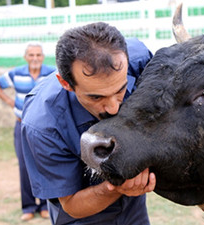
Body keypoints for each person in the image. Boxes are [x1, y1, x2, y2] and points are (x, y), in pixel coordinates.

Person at [20, 22, 156, 224]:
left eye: (120, 90)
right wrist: (118, 185)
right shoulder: (42, 126)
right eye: (96, 98)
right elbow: (72, 204)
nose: (113, 108)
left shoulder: (139, 60)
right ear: (65, 83)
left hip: (133, 211)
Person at [0, 41, 56, 221]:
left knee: (42, 164)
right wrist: (11, 103)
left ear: (43, 57)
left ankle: (43, 205)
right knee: (24, 166)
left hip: (44, 129)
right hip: (21, 125)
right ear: (26, 57)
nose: (35, 58)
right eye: (31, 55)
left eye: (38, 55)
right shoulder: (17, 73)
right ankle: (28, 207)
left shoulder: (51, 73)